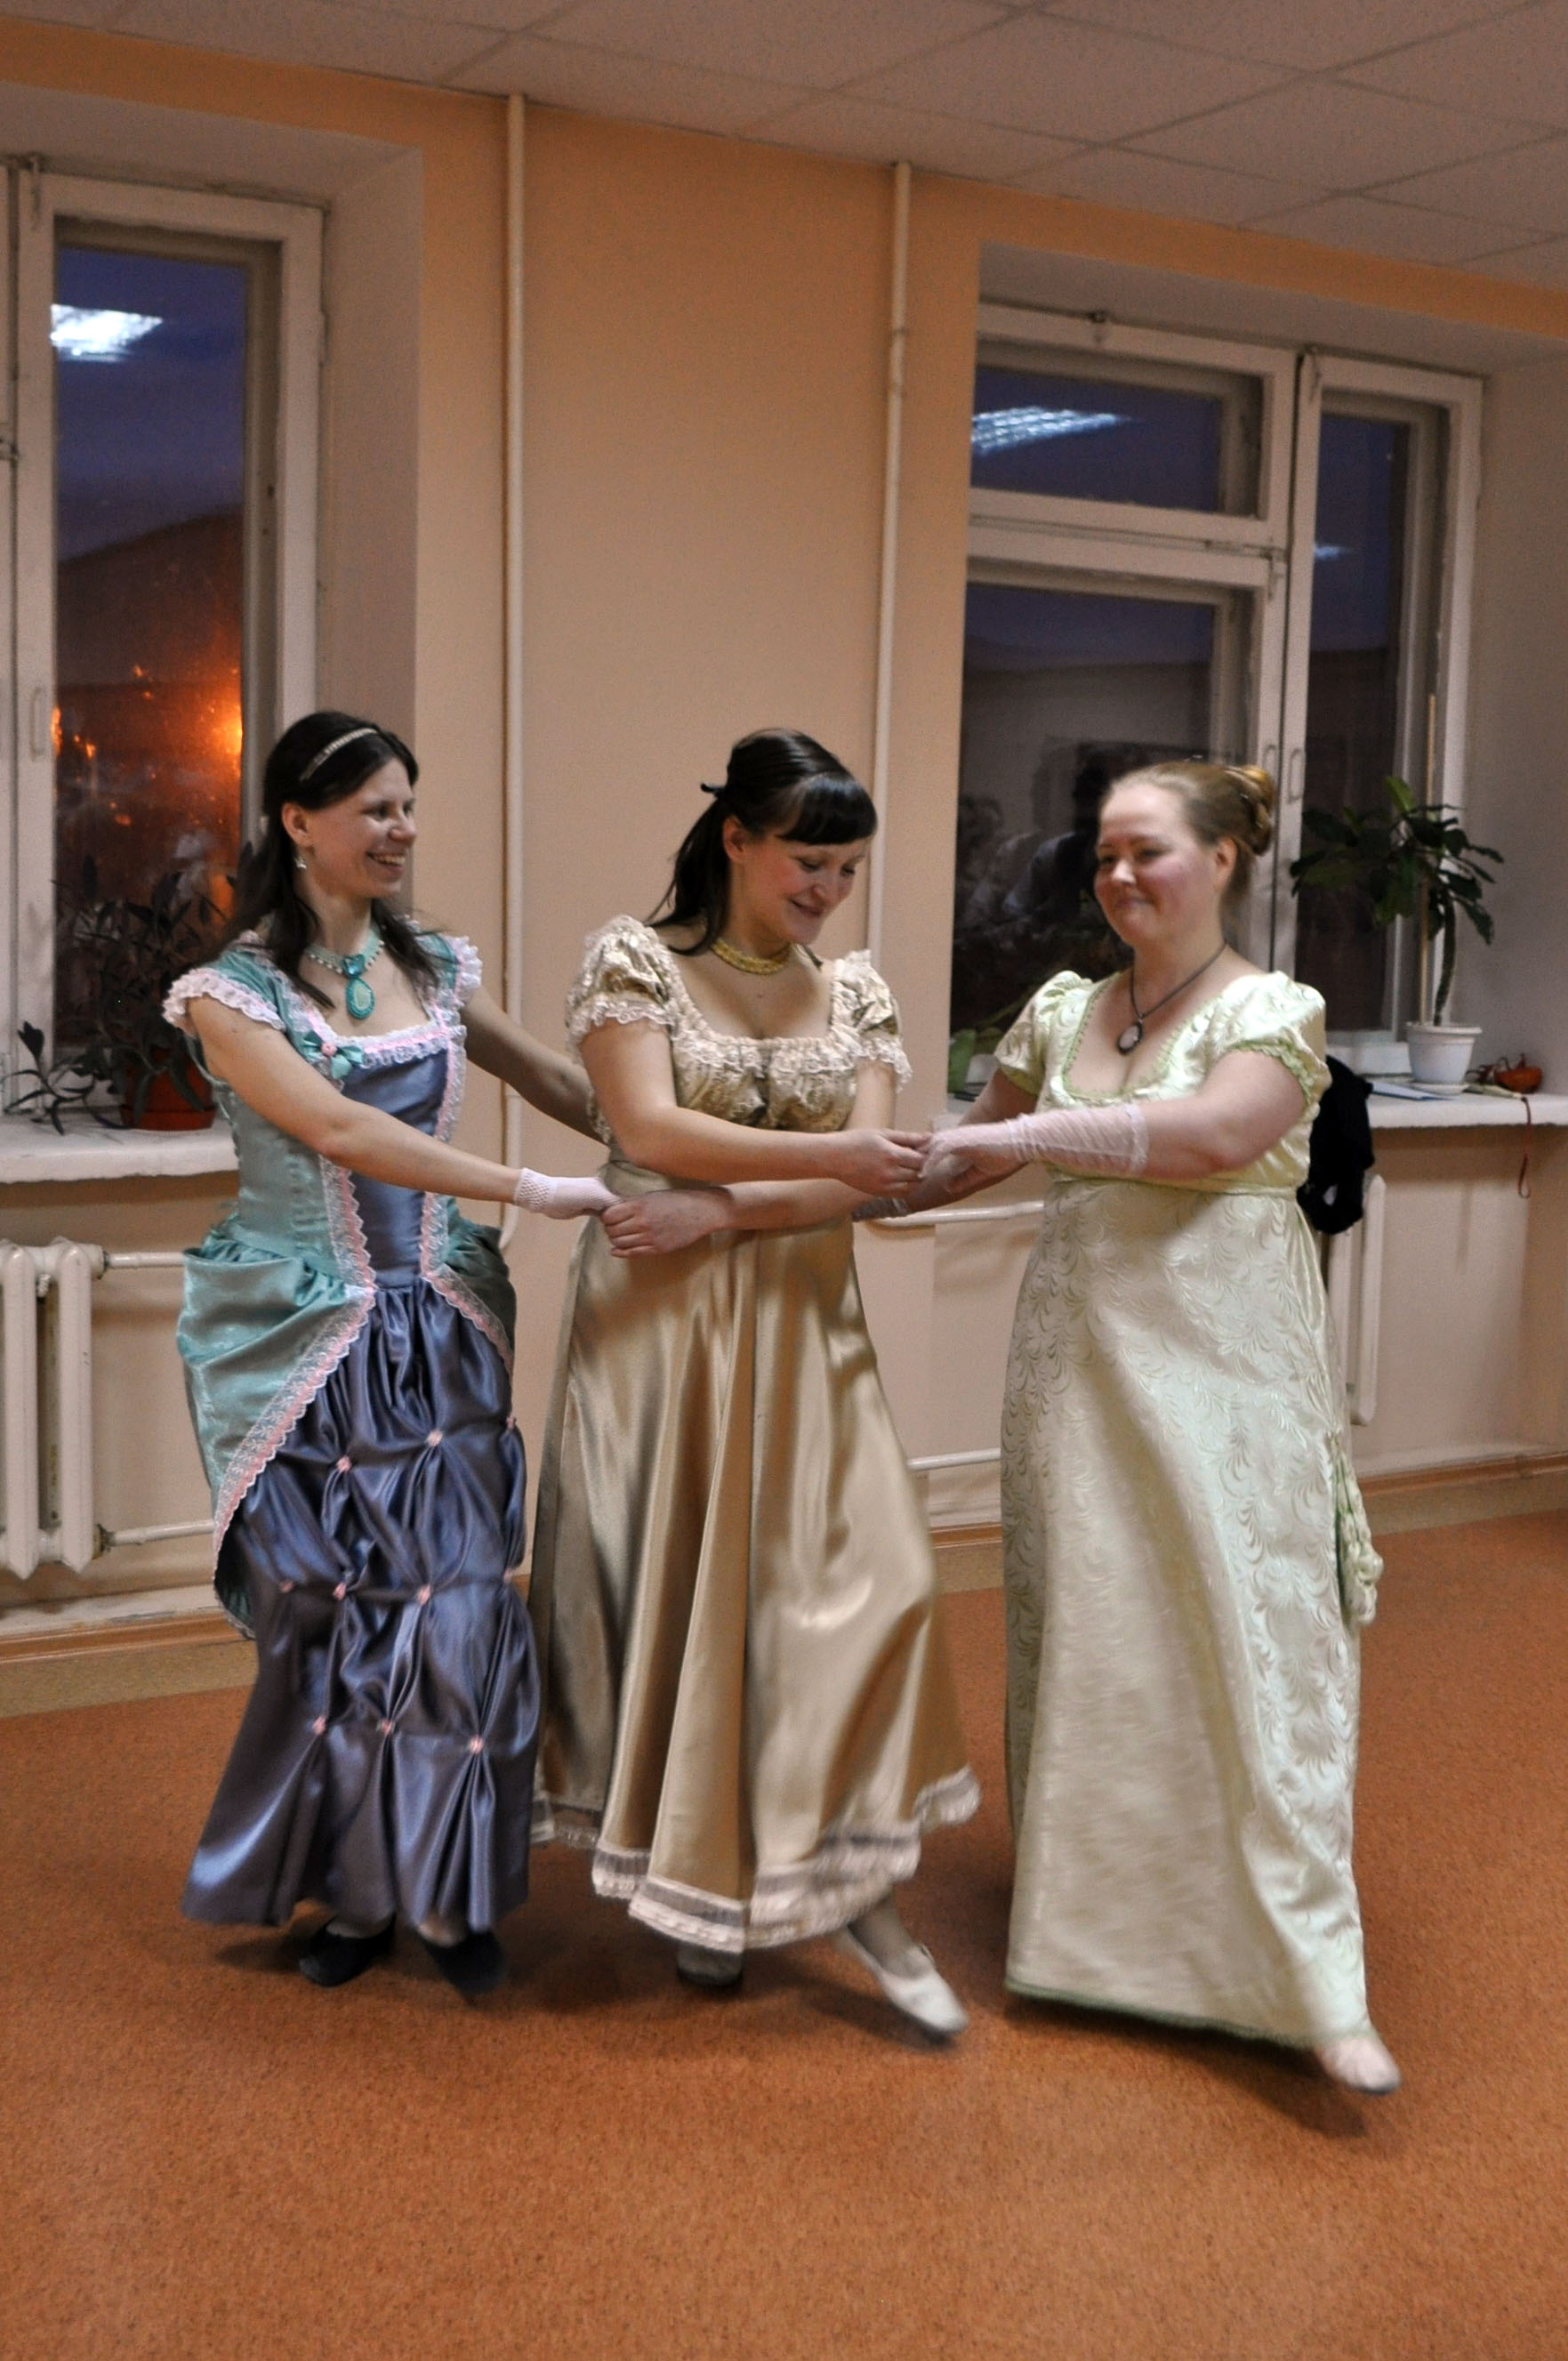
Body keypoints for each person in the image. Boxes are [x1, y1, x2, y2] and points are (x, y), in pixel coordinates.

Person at [907, 759, 1399, 2093]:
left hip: (1227, 1372)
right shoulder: (1064, 1007)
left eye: (1149, 851)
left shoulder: (1272, 1009)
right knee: (1101, 1636)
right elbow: (963, 1154)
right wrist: (786, 1187)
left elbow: (1212, 1137)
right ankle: (1102, 1943)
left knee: (1252, 1637)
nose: (1119, 876)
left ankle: (1310, 1980)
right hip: (1076, 1365)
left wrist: (1026, 1135)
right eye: (1105, 854)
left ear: (1224, 859)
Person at [529, 729, 979, 2035]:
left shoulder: (861, 995)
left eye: (847, 870)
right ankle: (706, 1897)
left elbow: (866, 1175)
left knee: (876, 1589)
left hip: (804, 1326)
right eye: (807, 862)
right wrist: (826, 1167)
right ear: (735, 838)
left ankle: (866, 1899)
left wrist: (719, 1209)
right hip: (661, 1334)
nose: (828, 891)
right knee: (691, 1610)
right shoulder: (636, 961)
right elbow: (647, 1126)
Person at [167, 711, 614, 1995]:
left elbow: (566, 1085)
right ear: (298, 823)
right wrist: (524, 1186)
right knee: (336, 1620)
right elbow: (338, 1129)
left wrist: (677, 1112)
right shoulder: (231, 995)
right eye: (374, 807)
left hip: (439, 1336)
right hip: (309, 1339)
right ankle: (360, 1898)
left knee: (459, 1609)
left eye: (409, 805)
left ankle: (452, 1893)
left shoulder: (439, 967)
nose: (401, 829)